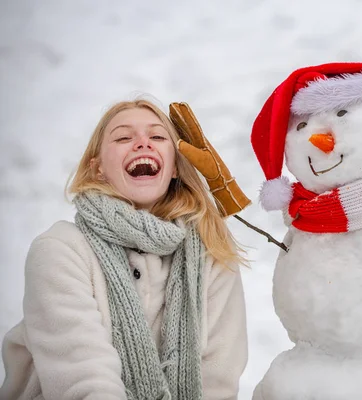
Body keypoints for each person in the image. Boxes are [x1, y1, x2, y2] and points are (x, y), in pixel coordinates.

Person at [0, 98, 248, 400]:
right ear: (98, 168)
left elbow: (217, 381)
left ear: (174, 168)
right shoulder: (59, 250)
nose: (143, 143)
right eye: (123, 137)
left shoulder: (213, 253)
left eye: (157, 137)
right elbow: (83, 380)